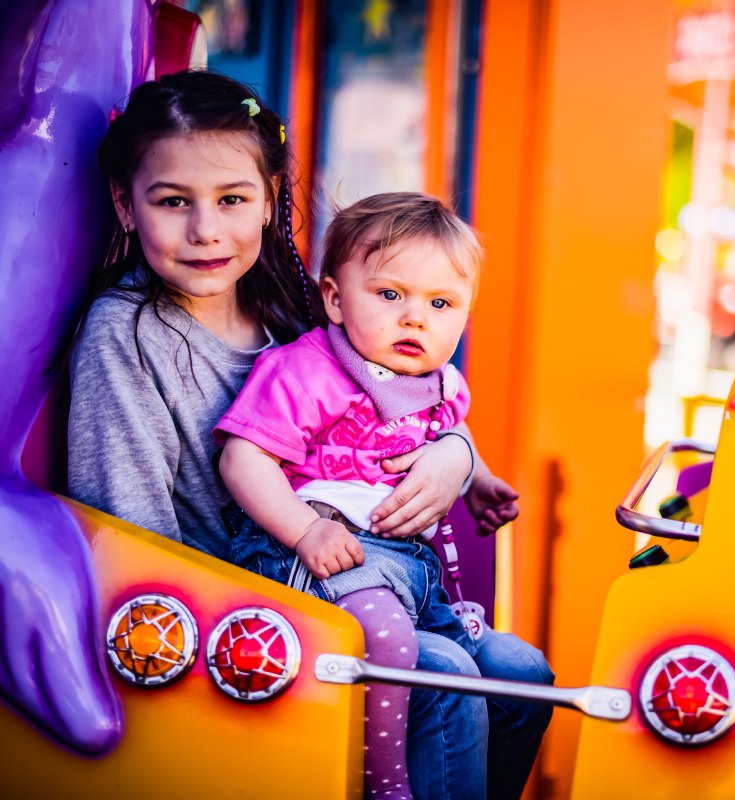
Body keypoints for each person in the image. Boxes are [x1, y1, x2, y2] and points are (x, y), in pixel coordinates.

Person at [67, 70, 552, 800]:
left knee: (523, 678)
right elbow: (129, 533)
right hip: (235, 613)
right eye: (173, 202)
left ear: (268, 201)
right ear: (125, 206)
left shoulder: (291, 308)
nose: (206, 230)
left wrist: (458, 457)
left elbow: (406, 407)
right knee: (441, 676)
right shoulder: (127, 335)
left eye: (232, 199)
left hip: (362, 577)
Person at [214, 193, 496, 797]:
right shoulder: (307, 370)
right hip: (317, 555)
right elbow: (243, 458)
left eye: (440, 304)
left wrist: (479, 479)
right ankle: (382, 782)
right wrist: (304, 531)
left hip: (410, 570)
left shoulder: (441, 383)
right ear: (337, 299)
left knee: (503, 677)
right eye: (390, 295)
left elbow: (451, 433)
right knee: (392, 644)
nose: (415, 318)